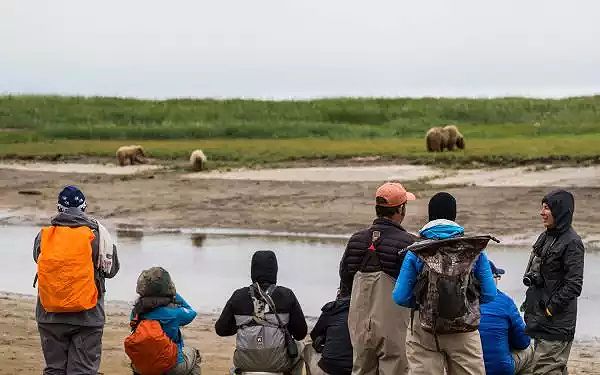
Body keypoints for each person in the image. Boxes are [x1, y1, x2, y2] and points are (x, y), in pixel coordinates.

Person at [392, 192, 496, 375]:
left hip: (424, 330)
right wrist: (464, 301)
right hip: (464, 328)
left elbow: (400, 296)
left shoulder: (418, 250)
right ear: (454, 216)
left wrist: (424, 304)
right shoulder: (473, 250)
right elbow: (490, 294)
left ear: (430, 216)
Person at [33, 185, 120, 374]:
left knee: (54, 370)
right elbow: (112, 270)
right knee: (82, 371)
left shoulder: (44, 236)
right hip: (88, 317)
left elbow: (37, 259)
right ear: (84, 208)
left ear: (59, 208)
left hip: (50, 316)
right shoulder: (97, 236)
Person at [339, 182, 417, 375]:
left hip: (359, 320)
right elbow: (415, 286)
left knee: (361, 368)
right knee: (395, 369)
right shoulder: (408, 243)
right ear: (400, 209)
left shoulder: (356, 240)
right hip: (393, 325)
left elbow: (345, 279)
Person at [522, 190, 585, 375]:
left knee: (544, 370)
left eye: (547, 208)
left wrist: (551, 309)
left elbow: (574, 285)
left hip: (556, 323)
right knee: (551, 369)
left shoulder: (572, 243)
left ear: (560, 211)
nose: (542, 212)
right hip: (540, 319)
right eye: (542, 207)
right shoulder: (546, 236)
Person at [215, 250, 308, 375]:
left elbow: (221, 330)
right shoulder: (286, 295)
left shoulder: (239, 295)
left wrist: (243, 326)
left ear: (253, 270)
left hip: (245, 362)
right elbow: (301, 334)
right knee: (300, 347)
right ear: (275, 270)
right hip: (278, 363)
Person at [127, 267, 201, 375]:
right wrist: (174, 295)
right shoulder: (175, 314)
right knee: (194, 354)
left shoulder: (136, 312)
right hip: (171, 366)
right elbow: (191, 313)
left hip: (141, 366)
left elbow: (132, 326)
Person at [479, 261, 533, 375]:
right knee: (529, 351)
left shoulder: (459, 302)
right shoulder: (504, 301)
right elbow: (523, 342)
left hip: (466, 368)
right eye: (496, 276)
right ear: (489, 279)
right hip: (499, 370)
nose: (498, 280)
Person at [303, 284, 353, 375]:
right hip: (359, 367)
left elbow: (314, 335)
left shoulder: (333, 308)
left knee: (307, 347)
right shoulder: (368, 309)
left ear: (340, 293)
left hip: (330, 367)